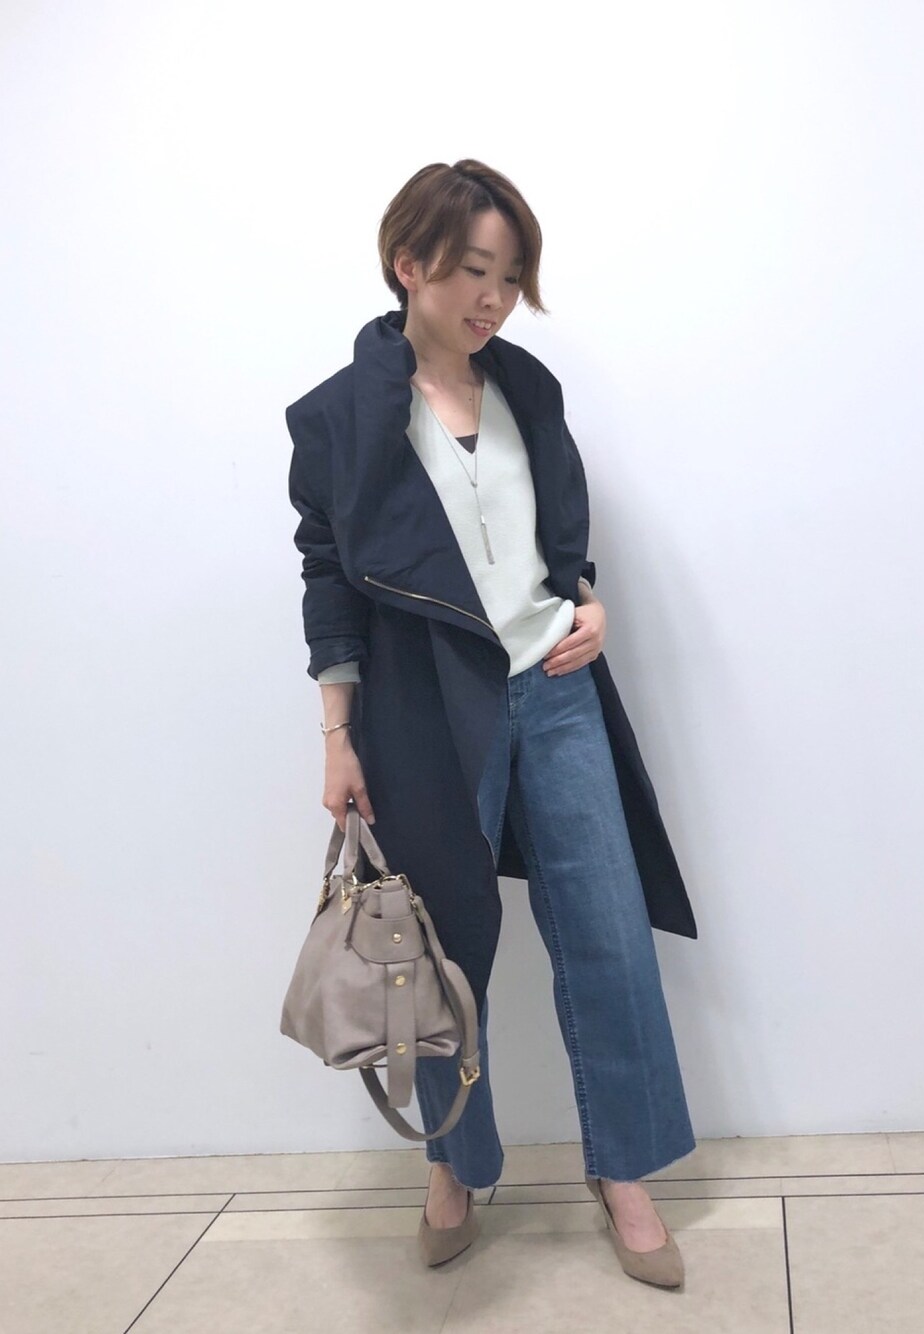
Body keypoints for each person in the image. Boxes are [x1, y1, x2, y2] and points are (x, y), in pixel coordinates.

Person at [285, 159, 698, 1288]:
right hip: (425, 706)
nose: (494, 297)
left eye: (510, 276)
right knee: (441, 953)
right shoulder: (338, 417)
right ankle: (454, 1163)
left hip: (554, 690)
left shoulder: (528, 387)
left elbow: (557, 535)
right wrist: (337, 736)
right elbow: (329, 579)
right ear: (407, 263)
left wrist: (590, 599)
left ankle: (624, 1170)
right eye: (474, 269)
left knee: (607, 933)